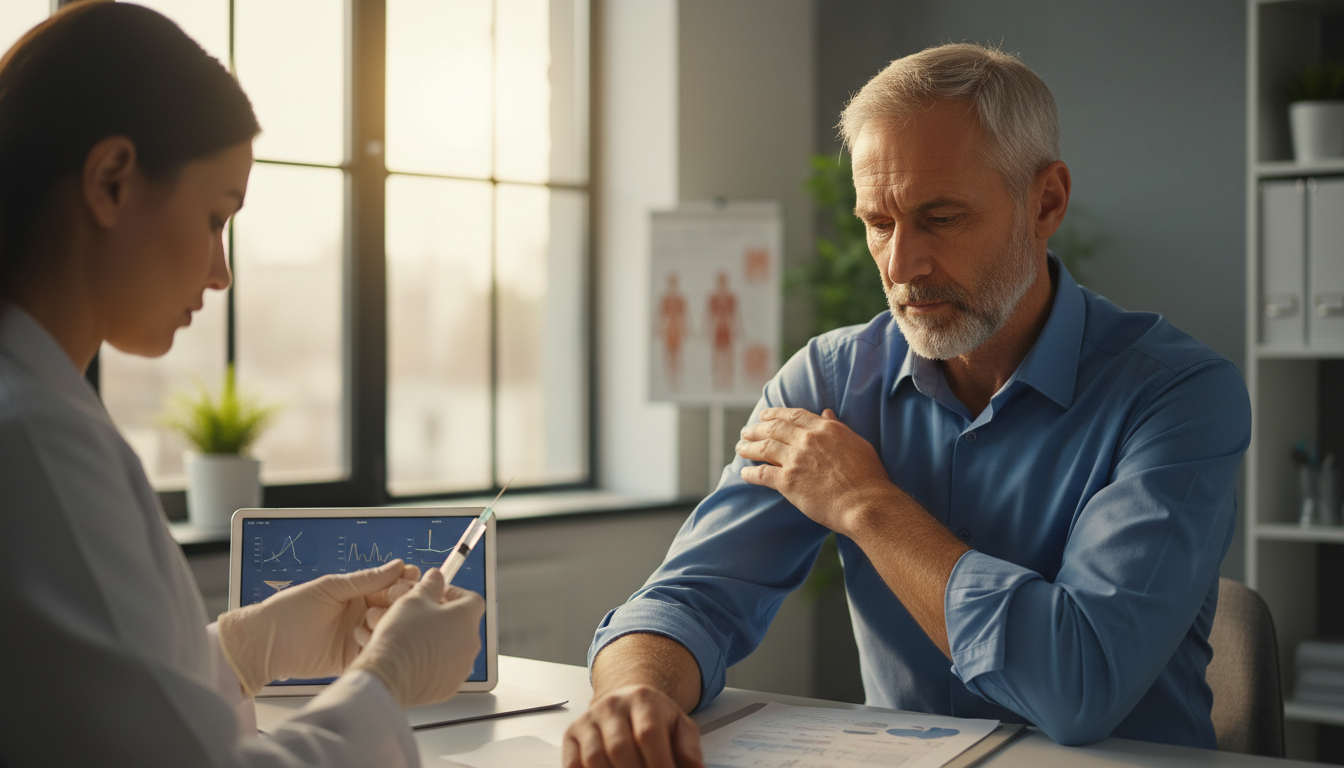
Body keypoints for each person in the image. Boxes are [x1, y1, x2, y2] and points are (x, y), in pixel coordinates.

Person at [563, 42, 1251, 767]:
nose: (900, 267)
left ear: (1045, 201)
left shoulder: (1179, 396)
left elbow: (1078, 686)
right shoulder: (828, 381)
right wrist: (630, 698)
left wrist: (867, 505)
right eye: (878, 223)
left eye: (941, 218)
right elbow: (690, 599)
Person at [0, 4, 482, 766]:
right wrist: (385, 684)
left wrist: (242, 648)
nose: (221, 273)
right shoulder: (32, 440)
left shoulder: (38, 408)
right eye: (215, 217)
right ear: (112, 180)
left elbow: (88, 703)